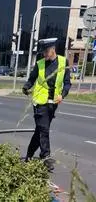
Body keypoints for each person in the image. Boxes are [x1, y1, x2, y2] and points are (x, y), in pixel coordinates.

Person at [22, 38, 71, 171]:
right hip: (39, 102)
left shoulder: (63, 62)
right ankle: (46, 156)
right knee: (44, 129)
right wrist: (26, 87)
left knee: (39, 131)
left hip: (53, 104)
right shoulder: (40, 64)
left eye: (46, 52)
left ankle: (28, 156)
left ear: (53, 49)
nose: (44, 55)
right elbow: (32, 79)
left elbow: (67, 83)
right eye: (43, 52)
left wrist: (63, 94)